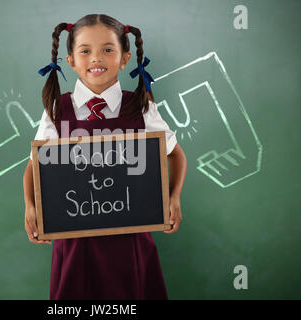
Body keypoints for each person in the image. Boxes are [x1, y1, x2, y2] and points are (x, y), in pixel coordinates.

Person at [22, 14, 187, 300]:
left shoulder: (140, 107)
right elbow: (35, 165)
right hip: (74, 242)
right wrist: (30, 206)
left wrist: (174, 197)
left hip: (131, 240)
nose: (96, 58)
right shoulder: (57, 109)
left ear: (124, 58)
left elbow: (175, 155)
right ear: (71, 60)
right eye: (85, 51)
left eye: (107, 50)